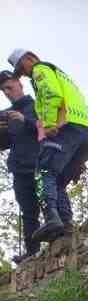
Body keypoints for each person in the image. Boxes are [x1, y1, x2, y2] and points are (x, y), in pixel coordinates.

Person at [6, 51, 88, 243]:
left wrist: (48, 125)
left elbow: (50, 93)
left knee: (43, 171)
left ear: (28, 59)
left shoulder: (41, 69)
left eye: (22, 69)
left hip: (68, 127)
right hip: (87, 132)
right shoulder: (62, 74)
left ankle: (51, 218)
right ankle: (66, 224)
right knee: (59, 180)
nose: (24, 74)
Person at [0, 70, 39, 258]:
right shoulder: (5, 114)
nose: (7, 92)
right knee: (28, 211)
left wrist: (26, 121)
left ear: (19, 84)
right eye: (3, 90)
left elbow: (50, 128)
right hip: (18, 167)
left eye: (9, 87)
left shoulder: (36, 105)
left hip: (41, 164)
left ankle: (62, 243)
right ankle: (32, 253)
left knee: (51, 205)